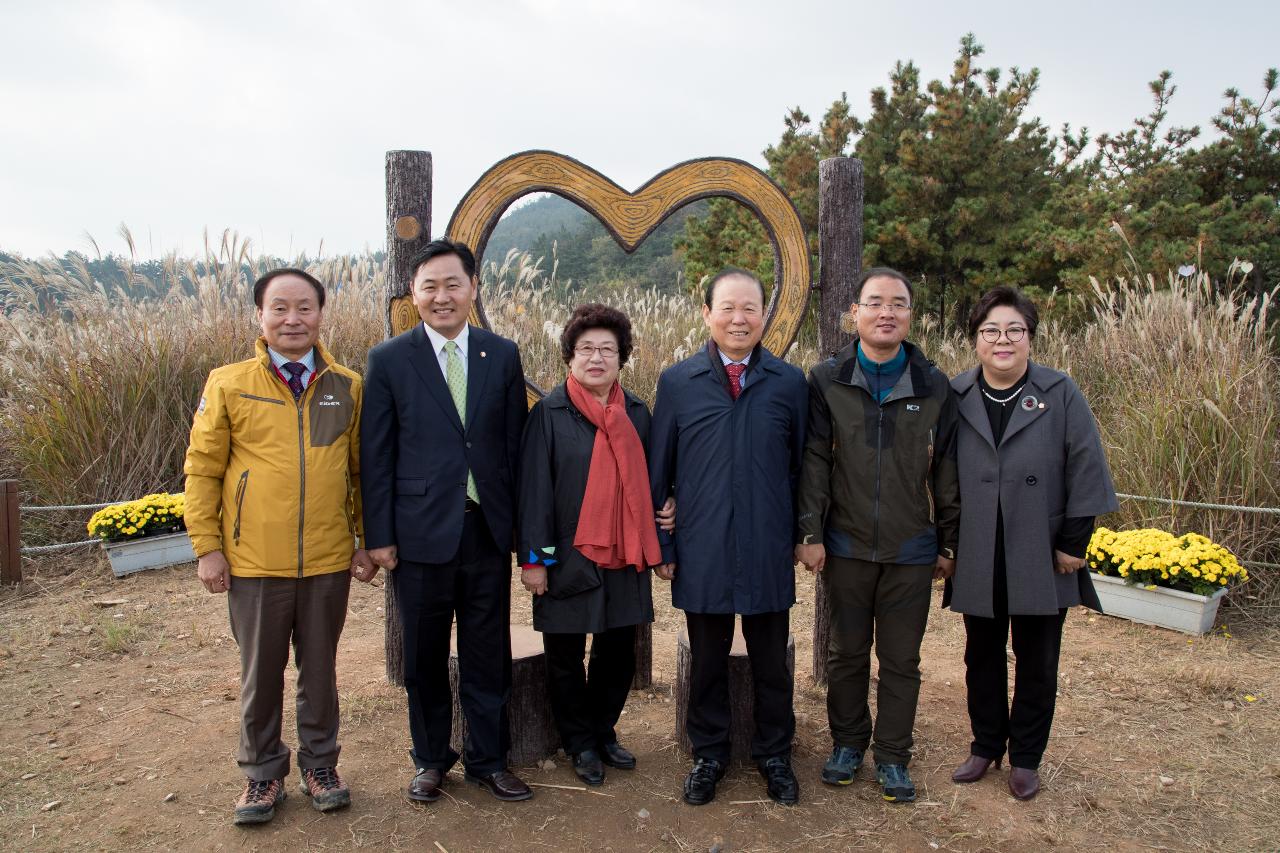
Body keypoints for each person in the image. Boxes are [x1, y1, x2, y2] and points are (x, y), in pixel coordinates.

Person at [185, 267, 374, 826]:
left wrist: (363, 541)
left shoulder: (347, 386)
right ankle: (262, 775)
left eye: (305, 308)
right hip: (253, 562)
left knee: (320, 672)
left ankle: (321, 766)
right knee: (260, 672)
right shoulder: (228, 382)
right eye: (280, 309)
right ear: (259, 317)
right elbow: (202, 470)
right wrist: (208, 546)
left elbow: (360, 473)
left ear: (321, 315)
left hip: (326, 560)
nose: (293, 320)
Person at [360, 238, 531, 803]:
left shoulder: (500, 354)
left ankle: (489, 759)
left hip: (484, 530)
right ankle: (431, 759)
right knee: (424, 655)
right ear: (414, 294)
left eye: (452, 284)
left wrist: (520, 532)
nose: (441, 296)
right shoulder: (389, 359)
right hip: (418, 534)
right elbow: (376, 455)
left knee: (489, 652)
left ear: (473, 288)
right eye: (429, 286)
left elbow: (512, 449)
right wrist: (379, 535)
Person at [795, 266, 960, 805]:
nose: (886, 312)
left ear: (911, 316)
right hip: (843, 545)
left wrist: (948, 543)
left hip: (910, 549)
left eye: (898, 304)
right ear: (855, 314)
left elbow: (947, 473)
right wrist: (810, 532)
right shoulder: (826, 379)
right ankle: (846, 744)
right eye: (875, 302)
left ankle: (892, 755)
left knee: (900, 659)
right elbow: (815, 461)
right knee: (845, 654)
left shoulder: (935, 384)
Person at [946, 286, 1117, 800]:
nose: (1003, 340)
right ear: (975, 340)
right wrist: (946, 544)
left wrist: (1072, 542)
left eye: (1014, 330)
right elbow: (940, 476)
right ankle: (984, 745)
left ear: (1029, 338)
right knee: (982, 654)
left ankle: (1026, 756)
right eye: (991, 331)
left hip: (1040, 549)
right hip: (979, 547)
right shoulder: (956, 396)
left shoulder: (1060, 391)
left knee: (1039, 657)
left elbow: (1086, 466)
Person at [649, 268, 808, 807]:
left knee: (770, 661)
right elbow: (659, 477)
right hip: (704, 547)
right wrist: (665, 547)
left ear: (765, 315)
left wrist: (799, 534)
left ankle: (775, 756)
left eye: (750, 309)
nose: (739, 319)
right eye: (728, 308)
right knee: (708, 659)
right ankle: (709, 754)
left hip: (766, 547)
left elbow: (801, 469)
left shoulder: (788, 383)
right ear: (707, 314)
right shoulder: (677, 382)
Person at [517, 303, 674, 786]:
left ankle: (604, 730)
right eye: (586, 349)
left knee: (618, 649)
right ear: (570, 357)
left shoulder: (638, 413)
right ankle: (578, 741)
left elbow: (657, 476)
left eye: (608, 349)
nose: (597, 358)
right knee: (565, 654)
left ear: (621, 358)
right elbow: (534, 492)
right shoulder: (548, 412)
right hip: (567, 552)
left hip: (626, 551)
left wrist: (670, 502)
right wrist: (535, 561)